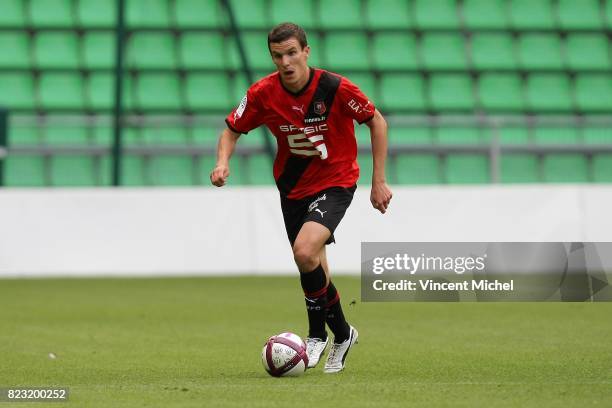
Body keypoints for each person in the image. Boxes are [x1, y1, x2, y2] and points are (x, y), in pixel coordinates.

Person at [210, 22, 392, 373]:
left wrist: (378, 181)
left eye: (292, 53)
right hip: (292, 187)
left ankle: (316, 336)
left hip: (336, 180)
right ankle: (342, 332)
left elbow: (376, 121)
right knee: (312, 264)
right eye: (278, 56)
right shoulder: (263, 93)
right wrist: (222, 162)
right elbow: (231, 131)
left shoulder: (334, 88)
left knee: (304, 251)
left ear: (306, 52)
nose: (286, 62)